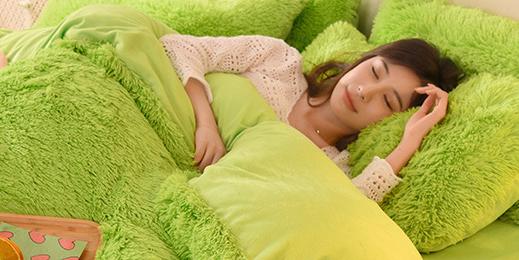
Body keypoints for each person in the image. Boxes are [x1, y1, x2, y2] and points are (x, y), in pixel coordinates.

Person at [160, 34, 464, 202]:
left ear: (390, 120)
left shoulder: (333, 166)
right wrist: (206, 124)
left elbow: (349, 210)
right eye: (374, 71)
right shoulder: (279, 62)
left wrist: (410, 140)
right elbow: (180, 47)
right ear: (365, 59)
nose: (364, 91)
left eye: (387, 101)